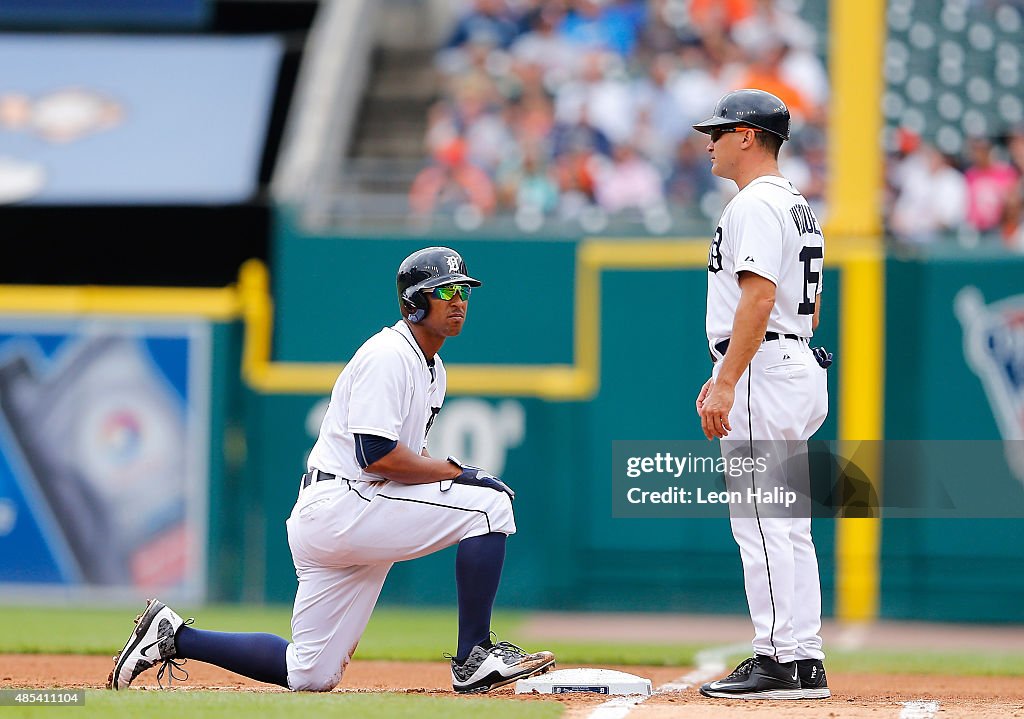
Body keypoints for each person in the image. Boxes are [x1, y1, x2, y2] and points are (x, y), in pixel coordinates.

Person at [107, 247, 555, 694]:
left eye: (464, 290)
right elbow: (376, 456)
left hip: (348, 512)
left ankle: (172, 636)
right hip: (345, 504)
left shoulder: (432, 369)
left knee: (310, 673)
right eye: (446, 291)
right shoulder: (389, 356)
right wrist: (455, 472)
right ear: (415, 302)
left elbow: (395, 463)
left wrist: (447, 474)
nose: (459, 300)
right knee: (489, 505)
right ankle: (474, 656)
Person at [692, 89, 830, 700]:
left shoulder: (753, 204)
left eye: (718, 132)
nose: (710, 143)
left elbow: (758, 297)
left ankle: (776, 658)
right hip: (793, 360)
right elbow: (812, 307)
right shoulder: (798, 205)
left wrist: (728, 377)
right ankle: (803, 658)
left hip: (765, 369)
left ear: (747, 135)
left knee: (761, 520)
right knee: (789, 523)